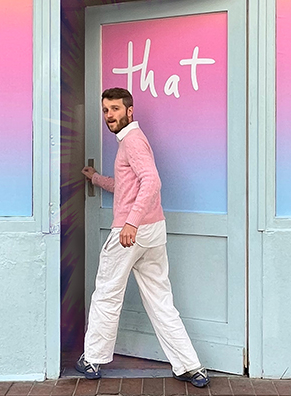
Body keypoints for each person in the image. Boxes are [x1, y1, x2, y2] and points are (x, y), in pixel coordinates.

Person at [77, 87, 209, 388]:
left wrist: (131, 224)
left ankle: (92, 359)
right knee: (161, 301)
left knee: (106, 294)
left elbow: (152, 181)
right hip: (153, 231)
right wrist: (96, 179)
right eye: (106, 110)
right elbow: (130, 187)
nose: (109, 115)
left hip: (130, 233)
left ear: (130, 111)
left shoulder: (132, 141)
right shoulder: (130, 141)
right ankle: (191, 367)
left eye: (115, 109)